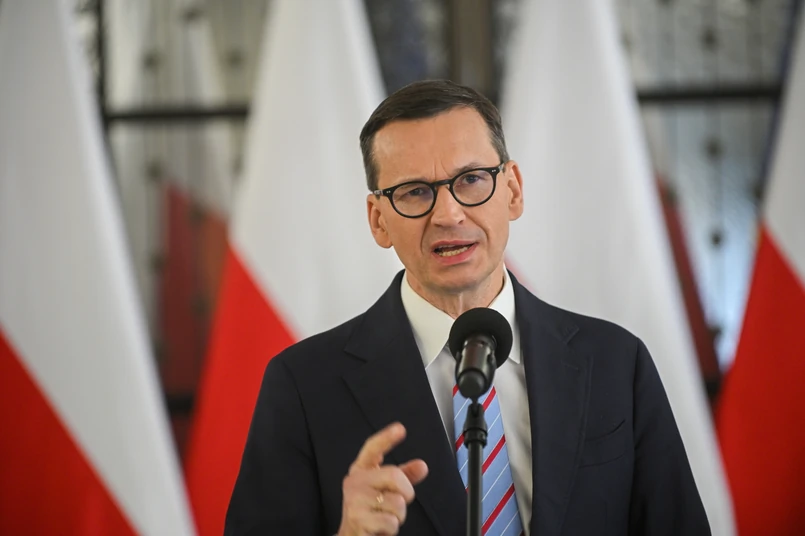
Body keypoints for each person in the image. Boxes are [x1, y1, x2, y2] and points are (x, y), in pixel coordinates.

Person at [224, 80, 710, 536]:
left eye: (472, 179)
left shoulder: (615, 362)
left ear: (513, 190)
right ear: (378, 221)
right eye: (415, 192)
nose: (448, 214)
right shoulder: (304, 385)